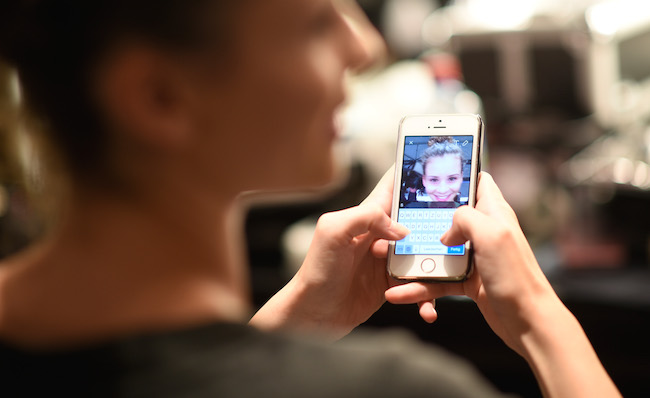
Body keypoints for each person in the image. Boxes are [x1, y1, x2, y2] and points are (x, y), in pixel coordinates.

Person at [0, 1, 620, 397]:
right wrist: (542, 318)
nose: (364, 47)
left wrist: (299, 321)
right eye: (316, 22)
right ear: (159, 96)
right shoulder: (395, 390)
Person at [417, 136, 465, 206]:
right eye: (434, 180)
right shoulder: (410, 212)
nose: (443, 190)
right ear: (424, 180)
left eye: (451, 179)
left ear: (461, 177)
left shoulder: (471, 213)